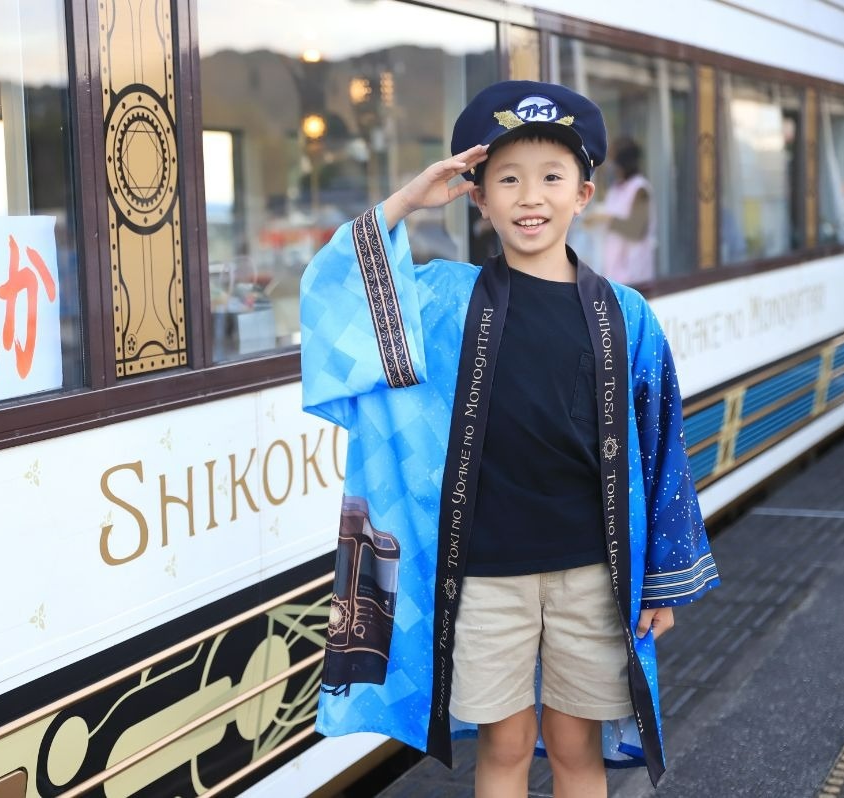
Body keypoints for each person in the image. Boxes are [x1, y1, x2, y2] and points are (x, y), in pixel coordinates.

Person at [300, 81, 718, 796]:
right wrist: (407, 199)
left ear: (583, 194)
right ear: (478, 198)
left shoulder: (628, 315)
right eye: (508, 180)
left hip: (595, 572)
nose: (531, 197)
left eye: (552, 178)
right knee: (505, 745)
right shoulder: (441, 303)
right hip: (486, 574)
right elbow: (333, 292)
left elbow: (661, 445)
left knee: (574, 746)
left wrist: (662, 579)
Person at [586, 137, 655, 283]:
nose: (610, 164)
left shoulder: (640, 189)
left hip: (634, 277)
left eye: (612, 159)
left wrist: (606, 219)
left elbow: (636, 230)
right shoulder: (616, 189)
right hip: (612, 274)